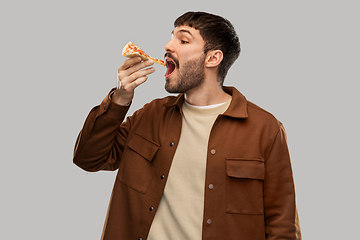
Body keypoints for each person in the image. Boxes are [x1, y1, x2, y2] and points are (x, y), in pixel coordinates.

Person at [73, 11, 301, 240]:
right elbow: (89, 158)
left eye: (183, 40)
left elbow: (282, 224)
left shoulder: (265, 129)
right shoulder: (151, 115)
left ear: (213, 58)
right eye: (171, 37)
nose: (167, 45)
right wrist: (120, 99)